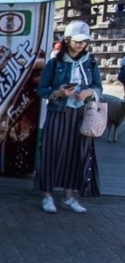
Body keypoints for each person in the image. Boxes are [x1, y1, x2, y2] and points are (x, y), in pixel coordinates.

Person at [35, 20, 102, 214]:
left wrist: (88, 92)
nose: (81, 44)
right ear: (67, 40)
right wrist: (58, 93)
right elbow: (42, 89)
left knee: (75, 155)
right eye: (77, 40)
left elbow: (99, 87)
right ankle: (47, 196)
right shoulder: (54, 63)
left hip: (81, 114)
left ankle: (68, 196)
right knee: (51, 152)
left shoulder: (90, 63)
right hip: (58, 112)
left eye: (84, 41)